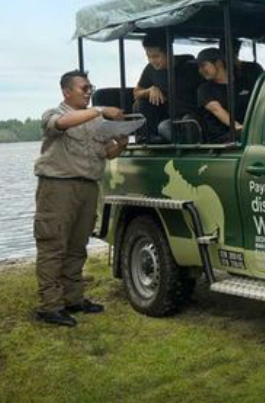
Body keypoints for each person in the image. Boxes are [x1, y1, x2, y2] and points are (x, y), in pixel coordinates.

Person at [33, 70, 128, 327]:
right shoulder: (53, 114)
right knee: (53, 246)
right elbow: (62, 125)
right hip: (58, 188)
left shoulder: (97, 124)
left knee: (77, 246)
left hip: (88, 188)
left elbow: (105, 154)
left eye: (90, 88)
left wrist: (120, 143)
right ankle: (50, 306)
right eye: (84, 88)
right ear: (66, 92)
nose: (88, 92)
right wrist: (99, 110)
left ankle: (74, 299)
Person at [133, 32, 201, 142]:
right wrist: (150, 90)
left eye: (155, 56)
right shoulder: (150, 69)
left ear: (168, 52)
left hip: (195, 114)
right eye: (148, 56)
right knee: (163, 126)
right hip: (172, 119)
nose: (151, 61)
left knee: (189, 121)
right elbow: (136, 92)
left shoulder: (189, 66)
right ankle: (150, 139)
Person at [195, 48, 252, 143]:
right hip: (222, 138)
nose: (200, 70)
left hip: (246, 132)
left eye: (203, 65)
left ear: (218, 63)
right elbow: (217, 110)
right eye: (199, 67)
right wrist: (240, 128)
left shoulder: (243, 83)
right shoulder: (204, 89)